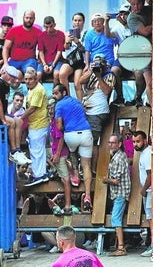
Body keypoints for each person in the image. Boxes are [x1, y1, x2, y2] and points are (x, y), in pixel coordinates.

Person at [52, 83, 93, 213]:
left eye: (56, 93)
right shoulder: (77, 101)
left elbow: (58, 126)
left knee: (72, 151)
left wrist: (67, 129)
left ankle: (75, 173)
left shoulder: (59, 105)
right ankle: (87, 195)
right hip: (86, 132)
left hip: (71, 133)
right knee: (87, 165)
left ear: (64, 93)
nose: (54, 96)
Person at [0, 66, 30, 166]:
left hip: (3, 113)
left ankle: (17, 150)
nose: (13, 79)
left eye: (14, 77)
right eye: (11, 76)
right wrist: (3, 119)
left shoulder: (6, 85)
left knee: (18, 120)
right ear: (4, 73)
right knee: (12, 122)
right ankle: (13, 151)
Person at [103, 133, 131, 256]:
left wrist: (105, 179)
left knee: (115, 218)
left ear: (119, 144)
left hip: (120, 193)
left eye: (113, 143)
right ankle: (120, 245)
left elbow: (116, 181)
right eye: (109, 142)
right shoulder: (118, 156)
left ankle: (121, 247)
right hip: (119, 193)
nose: (110, 145)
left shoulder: (118, 158)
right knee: (117, 218)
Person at [21, 67, 49, 187]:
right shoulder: (32, 89)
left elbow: (32, 108)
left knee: (36, 151)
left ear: (36, 78)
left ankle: (39, 175)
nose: (27, 81)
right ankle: (40, 173)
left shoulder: (37, 90)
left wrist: (20, 118)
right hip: (35, 124)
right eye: (26, 79)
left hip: (39, 124)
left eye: (30, 79)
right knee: (37, 150)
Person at [127, 0, 152, 107]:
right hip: (143, 52)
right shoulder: (132, 18)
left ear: (143, 3)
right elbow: (145, 31)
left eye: (138, 4)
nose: (136, 6)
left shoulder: (149, 10)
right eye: (133, 4)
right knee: (150, 83)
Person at [132, 130, 153, 257]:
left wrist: (144, 189)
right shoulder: (144, 154)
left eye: (138, 141)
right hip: (148, 191)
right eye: (134, 142)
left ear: (145, 140)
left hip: (150, 191)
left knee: (151, 219)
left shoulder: (147, 155)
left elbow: (150, 175)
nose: (135, 144)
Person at [2, 10, 41, 76]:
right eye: (27, 18)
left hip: (29, 61)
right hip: (13, 61)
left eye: (31, 18)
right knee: (3, 75)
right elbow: (6, 48)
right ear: (23, 18)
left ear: (34, 19)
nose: (29, 20)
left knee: (30, 74)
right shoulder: (13, 30)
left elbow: (42, 49)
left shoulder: (38, 32)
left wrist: (40, 60)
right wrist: (5, 63)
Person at [59, 12, 87, 101]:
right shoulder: (67, 33)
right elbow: (65, 49)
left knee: (77, 83)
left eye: (79, 20)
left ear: (83, 22)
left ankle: (81, 105)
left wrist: (77, 41)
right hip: (70, 60)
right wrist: (67, 41)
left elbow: (84, 50)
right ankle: (67, 99)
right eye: (75, 20)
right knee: (62, 74)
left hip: (80, 62)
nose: (77, 22)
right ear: (72, 22)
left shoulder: (86, 34)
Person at [36, 16, 65, 84]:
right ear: (44, 26)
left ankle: (55, 93)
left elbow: (59, 51)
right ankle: (40, 93)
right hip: (44, 61)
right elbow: (41, 51)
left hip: (57, 61)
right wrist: (44, 64)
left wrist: (53, 65)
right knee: (38, 75)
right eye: (46, 27)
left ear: (54, 25)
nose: (49, 29)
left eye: (51, 26)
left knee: (56, 74)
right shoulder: (41, 35)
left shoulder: (60, 34)